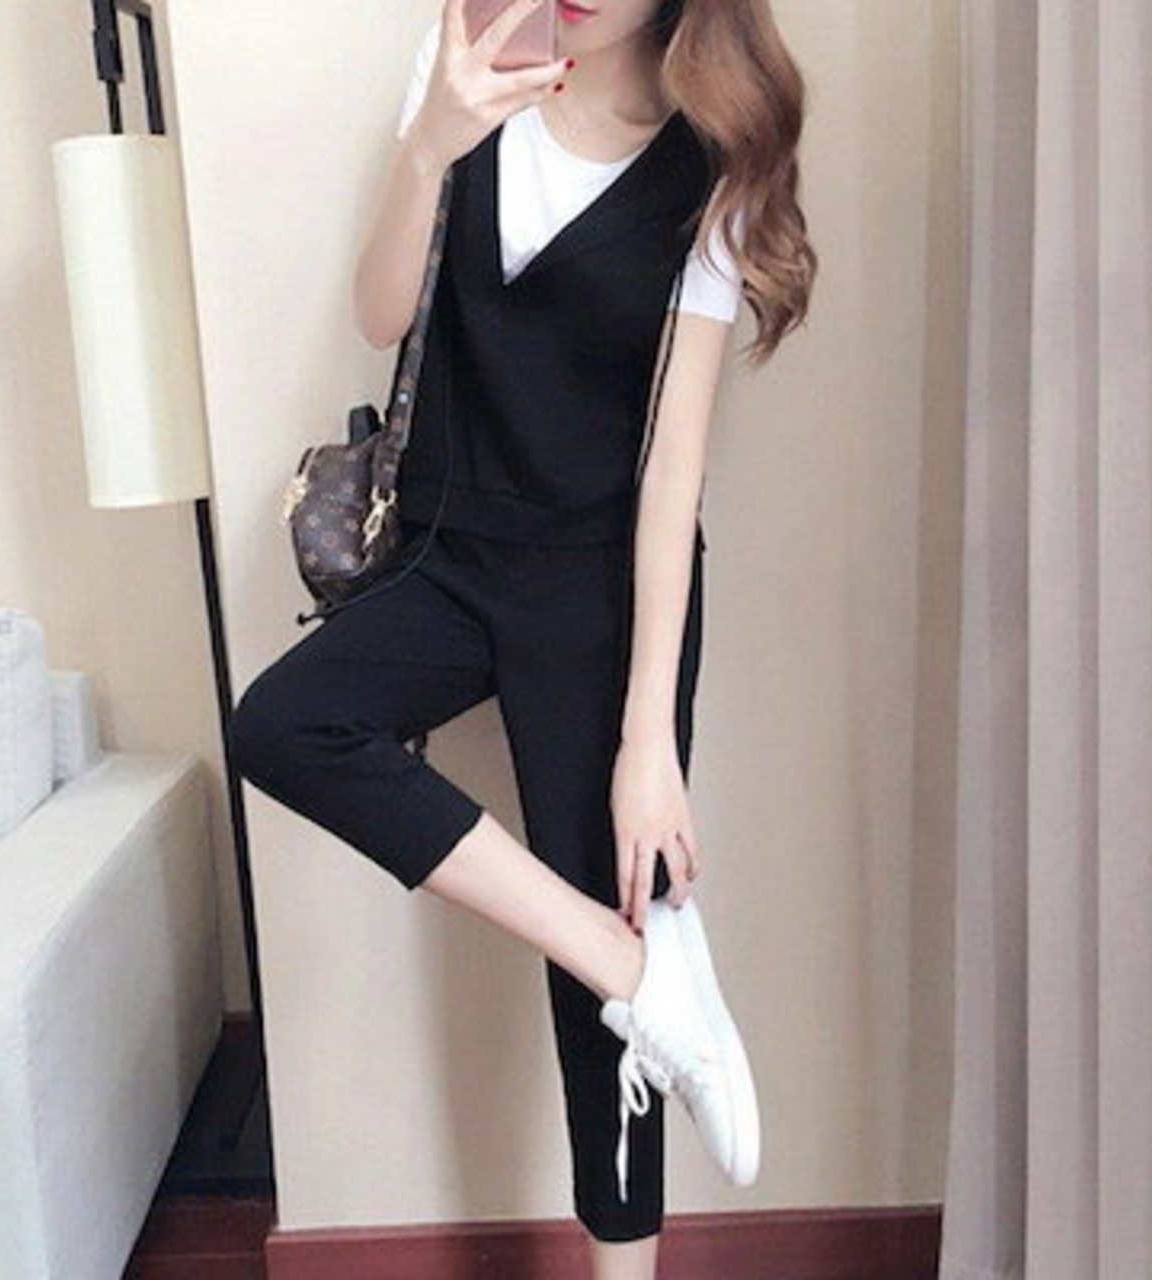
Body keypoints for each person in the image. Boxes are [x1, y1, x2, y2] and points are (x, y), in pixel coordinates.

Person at [229, 0, 816, 1274]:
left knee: (600, 999)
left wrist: (647, 741)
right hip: (444, 552)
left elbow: (671, 470)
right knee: (284, 723)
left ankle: (625, 1239)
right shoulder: (466, 67)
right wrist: (428, 142)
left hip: (597, 593)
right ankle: (632, 962)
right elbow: (380, 315)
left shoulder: (711, 161)